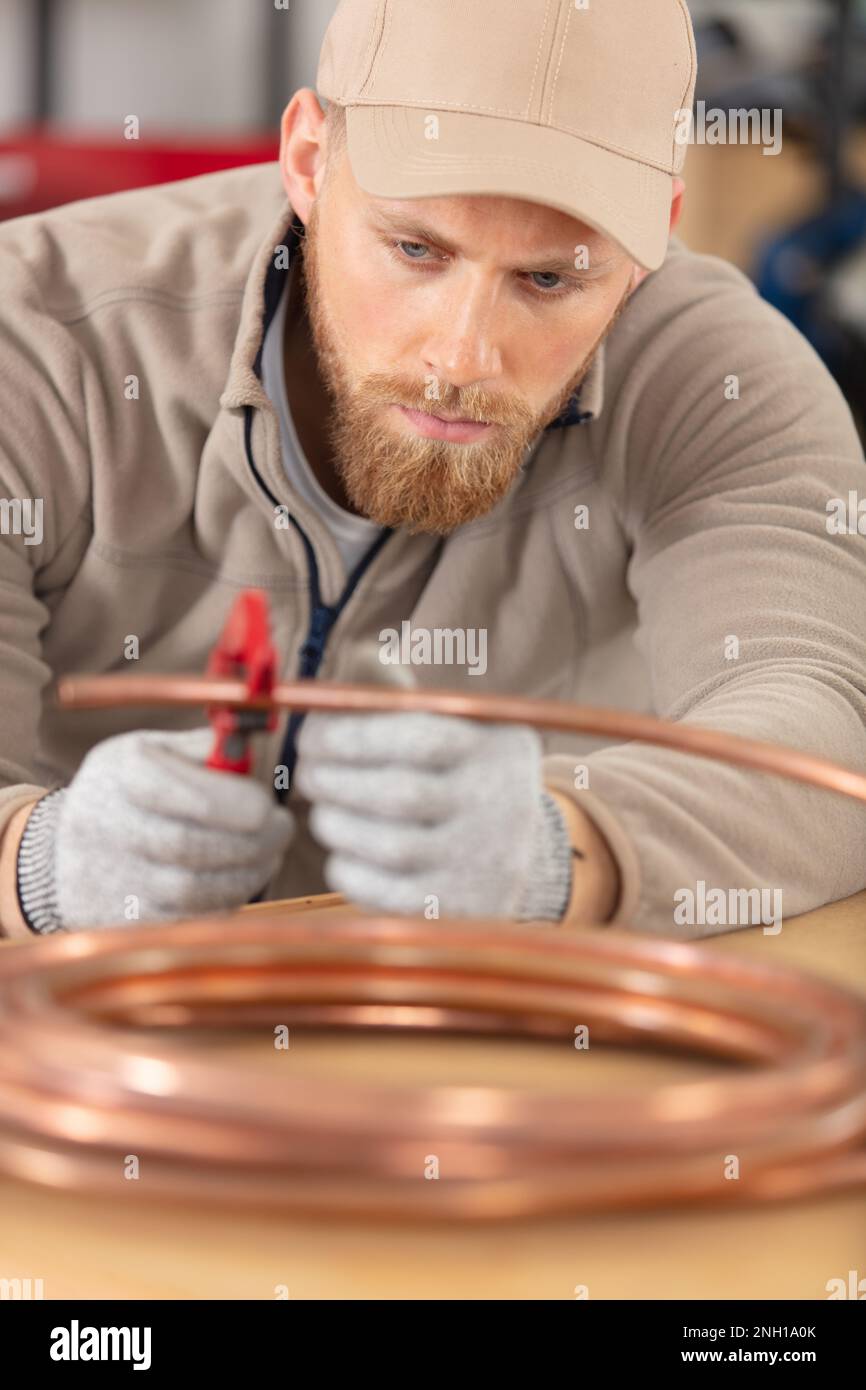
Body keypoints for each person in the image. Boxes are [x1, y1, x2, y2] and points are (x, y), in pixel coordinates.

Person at [1, 0, 864, 941]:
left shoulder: (723, 381)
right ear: (308, 159)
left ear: (655, 233)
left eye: (548, 280)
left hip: (510, 1044)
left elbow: (825, 735)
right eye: (417, 250)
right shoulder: (37, 339)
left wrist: (565, 850)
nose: (461, 360)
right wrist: (39, 866)